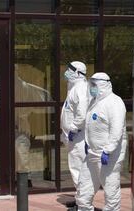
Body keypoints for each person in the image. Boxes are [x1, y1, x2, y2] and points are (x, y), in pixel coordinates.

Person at [74, 72, 127, 211]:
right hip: (92, 152)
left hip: (109, 156)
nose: (92, 88)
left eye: (94, 85)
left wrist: (108, 150)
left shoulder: (115, 102)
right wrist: (87, 142)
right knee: (84, 186)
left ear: (104, 85)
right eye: (91, 85)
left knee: (110, 189)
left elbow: (116, 130)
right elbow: (89, 124)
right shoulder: (94, 102)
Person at [60, 61, 89, 207]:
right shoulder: (74, 88)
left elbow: (82, 114)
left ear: (78, 73)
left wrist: (73, 129)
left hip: (78, 138)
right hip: (73, 138)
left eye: (69, 70)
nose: (66, 72)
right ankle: (80, 200)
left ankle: (83, 205)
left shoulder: (81, 89)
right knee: (76, 169)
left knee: (79, 171)